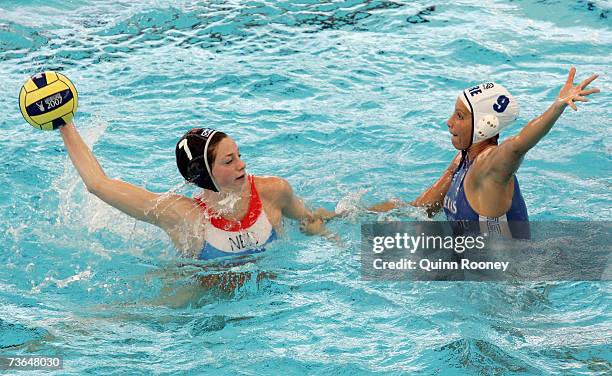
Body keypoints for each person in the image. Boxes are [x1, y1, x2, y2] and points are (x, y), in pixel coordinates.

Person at [370, 67, 599, 238]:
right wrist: (350, 214)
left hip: (510, 292)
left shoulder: (489, 167)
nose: (449, 122)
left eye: (460, 116)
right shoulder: (461, 161)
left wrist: (557, 106)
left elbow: (519, 145)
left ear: (485, 125)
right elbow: (419, 210)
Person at [60, 123, 333, 260]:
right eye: (229, 161)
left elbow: (308, 219)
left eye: (239, 155)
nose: (242, 164)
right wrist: (65, 125)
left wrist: (320, 230)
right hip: (203, 299)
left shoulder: (273, 191)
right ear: (203, 173)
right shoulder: (184, 217)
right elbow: (99, 185)